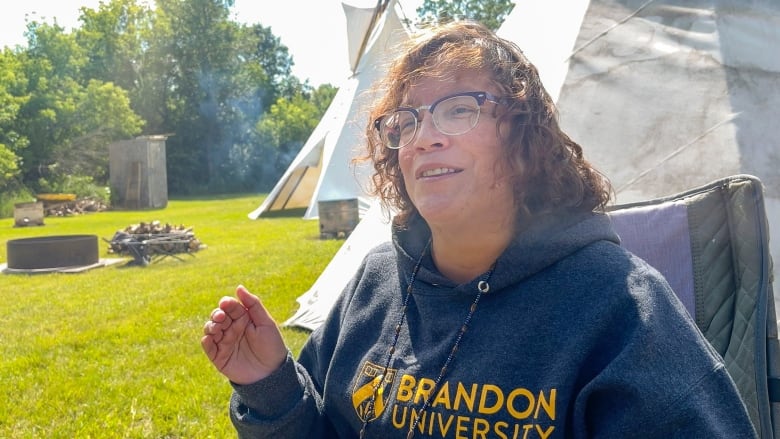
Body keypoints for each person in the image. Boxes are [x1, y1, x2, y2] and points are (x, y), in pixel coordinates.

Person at [201, 21, 758, 438]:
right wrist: (270, 383)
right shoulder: (377, 282)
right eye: (407, 121)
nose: (423, 138)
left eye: (458, 109)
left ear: (524, 139)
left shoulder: (618, 307)